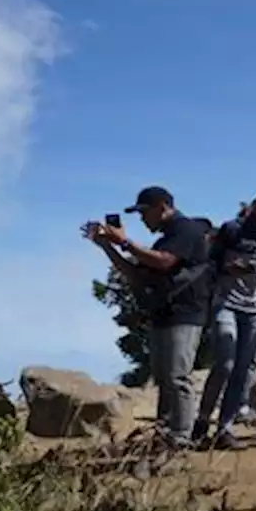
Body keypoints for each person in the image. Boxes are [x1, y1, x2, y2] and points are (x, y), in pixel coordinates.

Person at [83, 186, 213, 447]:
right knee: (165, 378)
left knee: (178, 376)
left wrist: (124, 242)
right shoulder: (164, 238)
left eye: (145, 212)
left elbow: (164, 262)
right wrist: (107, 247)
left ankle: (181, 436)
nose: (142, 219)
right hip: (162, 312)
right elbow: (136, 274)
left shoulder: (186, 230)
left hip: (186, 313)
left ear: (162, 207)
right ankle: (166, 432)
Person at [192, 187, 256, 449]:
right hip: (226, 302)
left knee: (243, 368)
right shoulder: (232, 230)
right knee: (225, 361)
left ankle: (224, 427)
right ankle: (202, 419)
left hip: (255, 308)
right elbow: (209, 263)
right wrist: (229, 268)